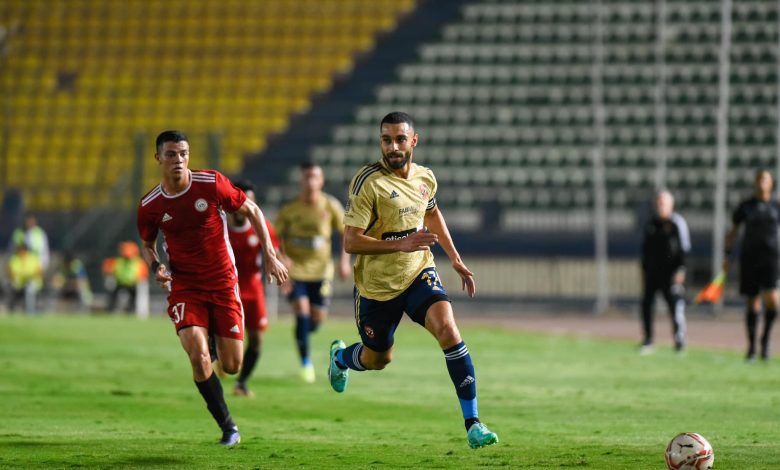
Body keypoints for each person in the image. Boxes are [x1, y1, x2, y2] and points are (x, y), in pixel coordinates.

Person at [328, 112, 499, 449]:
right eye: (386, 140)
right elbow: (350, 242)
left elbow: (432, 213)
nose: (393, 146)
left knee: (448, 329)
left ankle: (473, 423)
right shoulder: (368, 183)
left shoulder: (425, 178)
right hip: (376, 288)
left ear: (414, 141)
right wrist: (398, 243)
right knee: (379, 359)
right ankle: (340, 359)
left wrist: (455, 258)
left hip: (419, 271)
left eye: (400, 139)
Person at [136, 130, 288, 446]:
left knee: (231, 366)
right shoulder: (151, 205)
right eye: (171, 154)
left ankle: (217, 346)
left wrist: (270, 256)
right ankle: (228, 427)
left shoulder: (210, 183)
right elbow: (147, 245)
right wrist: (156, 266)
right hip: (185, 286)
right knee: (198, 355)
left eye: (183, 154)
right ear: (158, 158)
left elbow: (253, 211)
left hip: (222, 283)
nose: (178, 160)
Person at [276, 162, 351, 383]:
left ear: (321, 181)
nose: (310, 181)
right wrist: (281, 258)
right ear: (301, 181)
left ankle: (302, 334)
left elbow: (347, 233)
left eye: (314, 177)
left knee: (315, 321)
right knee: (302, 311)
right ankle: (306, 363)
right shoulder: (290, 210)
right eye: (306, 177)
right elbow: (272, 236)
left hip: (321, 272)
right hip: (296, 271)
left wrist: (345, 262)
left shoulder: (330, 206)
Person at [227, 179, 281, 397]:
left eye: (250, 200)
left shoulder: (263, 226)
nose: (246, 204)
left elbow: (275, 252)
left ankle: (242, 383)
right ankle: (218, 358)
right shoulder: (221, 226)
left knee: (257, 339)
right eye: (241, 200)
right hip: (227, 290)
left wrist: (281, 267)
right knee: (226, 340)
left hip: (254, 289)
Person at [723, 169, 780, 362]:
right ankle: (752, 348)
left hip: (771, 258)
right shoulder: (745, 207)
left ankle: (765, 339)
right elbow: (732, 233)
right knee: (752, 301)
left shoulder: (776, 206)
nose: (762, 182)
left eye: (765, 179)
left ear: (771, 183)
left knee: (772, 299)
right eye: (759, 179)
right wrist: (727, 256)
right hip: (749, 258)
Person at [639, 190, 691, 355]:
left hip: (671, 274)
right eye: (659, 202)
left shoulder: (677, 223)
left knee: (675, 306)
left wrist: (681, 270)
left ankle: (679, 341)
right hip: (653, 273)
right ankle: (648, 340)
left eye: (664, 203)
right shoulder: (651, 224)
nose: (661, 205)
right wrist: (644, 269)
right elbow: (646, 249)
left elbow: (684, 249)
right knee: (647, 305)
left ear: (671, 205)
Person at [102, 241, 147, 313]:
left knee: (134, 296)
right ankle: (110, 310)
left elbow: (143, 275)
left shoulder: (139, 262)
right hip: (119, 283)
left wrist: (137, 280)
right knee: (113, 294)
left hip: (132, 284)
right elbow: (109, 269)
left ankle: (131, 310)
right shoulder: (118, 261)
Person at [6, 242, 43, 312]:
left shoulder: (33, 259)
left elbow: (39, 272)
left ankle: (30, 311)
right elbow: (10, 272)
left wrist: (28, 276)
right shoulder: (15, 259)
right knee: (9, 287)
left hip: (32, 283)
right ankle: (11, 310)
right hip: (18, 283)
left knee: (29, 289)